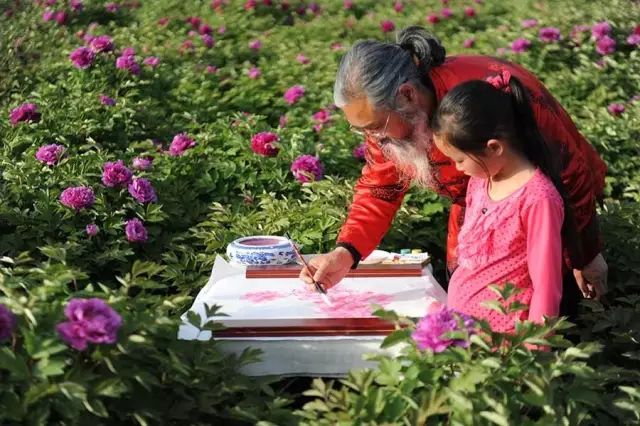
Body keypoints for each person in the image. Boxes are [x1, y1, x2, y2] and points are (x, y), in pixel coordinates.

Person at [299, 26, 608, 317]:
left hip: (539, 218)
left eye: (375, 127)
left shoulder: (485, 95)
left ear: (407, 95)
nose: (376, 139)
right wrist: (346, 252)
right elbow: (381, 188)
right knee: (466, 303)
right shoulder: (385, 121)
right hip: (476, 217)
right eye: (364, 131)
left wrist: (585, 254)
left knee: (543, 306)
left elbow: (568, 172)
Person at [431, 71, 572, 330]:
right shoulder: (480, 180)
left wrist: (535, 349)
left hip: (504, 345)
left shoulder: (537, 198)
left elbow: (546, 286)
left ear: (494, 147)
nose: (457, 168)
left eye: (460, 160)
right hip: (466, 336)